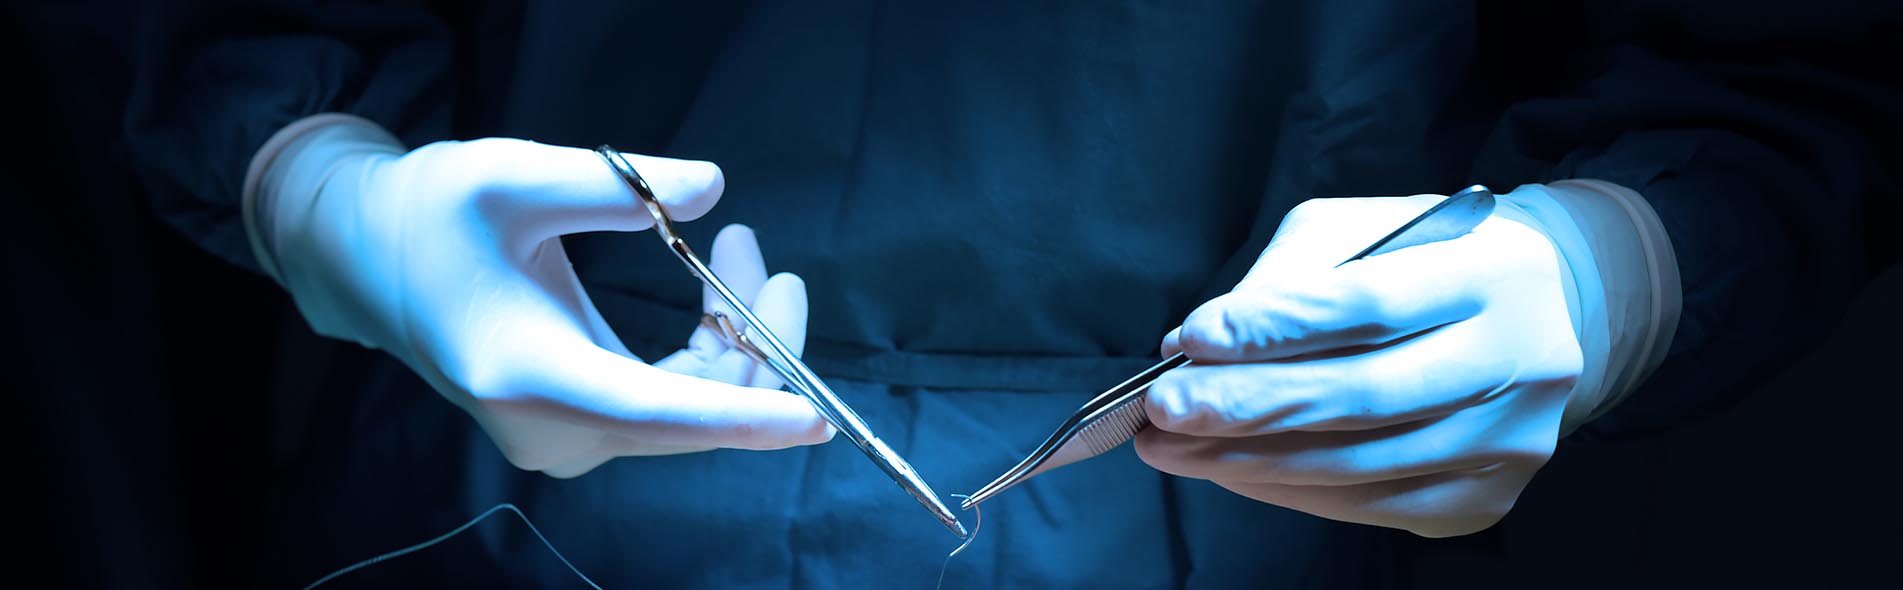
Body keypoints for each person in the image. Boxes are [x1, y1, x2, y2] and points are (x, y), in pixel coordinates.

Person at [123, 0, 1899, 587]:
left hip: (1312, 524)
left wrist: (1614, 260)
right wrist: (327, 190)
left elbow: (1774, 73)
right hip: (522, 498)